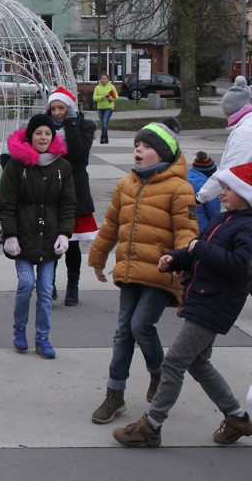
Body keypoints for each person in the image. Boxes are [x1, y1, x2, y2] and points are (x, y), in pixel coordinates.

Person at [113, 161, 252, 448]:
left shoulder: (248, 227)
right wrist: (176, 259)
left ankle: (151, 425)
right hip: (203, 297)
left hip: (215, 305)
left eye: (228, 188)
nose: (221, 193)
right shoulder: (224, 220)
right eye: (222, 187)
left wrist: (198, 249)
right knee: (198, 363)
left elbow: (239, 266)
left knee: (174, 362)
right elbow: (197, 246)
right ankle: (237, 417)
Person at [88, 122, 198, 425]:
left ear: (162, 153)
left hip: (161, 273)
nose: (139, 149)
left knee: (140, 325)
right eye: (137, 145)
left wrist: (182, 265)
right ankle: (115, 393)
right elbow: (110, 225)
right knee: (124, 330)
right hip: (130, 269)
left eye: (147, 146)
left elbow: (187, 233)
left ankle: (158, 372)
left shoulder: (180, 188)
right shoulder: (127, 184)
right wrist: (98, 257)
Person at [0, 114, 76, 359]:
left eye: (47, 133)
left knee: (45, 290)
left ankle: (43, 337)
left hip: (49, 238)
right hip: (22, 237)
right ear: (30, 136)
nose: (43, 137)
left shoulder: (62, 166)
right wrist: (10, 235)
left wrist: (65, 233)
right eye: (38, 133)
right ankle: (19, 329)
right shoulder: (16, 165)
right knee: (26, 284)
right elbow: (7, 203)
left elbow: (68, 204)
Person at [46, 86, 98, 306]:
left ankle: (73, 286)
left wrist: (71, 124)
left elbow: (79, 153)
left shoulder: (85, 125)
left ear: (70, 107)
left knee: (72, 242)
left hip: (76, 187)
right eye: (53, 109)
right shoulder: (45, 126)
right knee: (50, 241)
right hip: (50, 188)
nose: (57, 113)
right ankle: (50, 285)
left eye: (61, 108)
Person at [194, 84, 252, 205]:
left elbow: (230, 171)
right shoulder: (245, 127)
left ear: (228, 109)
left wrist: (200, 197)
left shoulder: (244, 132)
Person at [187, 151, 220, 233]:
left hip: (184, 223)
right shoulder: (208, 187)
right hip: (201, 227)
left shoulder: (185, 178)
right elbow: (213, 212)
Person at [93, 74, 118, 144]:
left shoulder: (111, 87)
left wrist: (109, 97)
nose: (103, 80)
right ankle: (106, 139)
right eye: (102, 78)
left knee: (104, 121)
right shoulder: (97, 87)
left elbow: (116, 97)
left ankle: (102, 137)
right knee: (103, 123)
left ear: (108, 79)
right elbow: (94, 97)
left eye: (105, 78)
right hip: (100, 108)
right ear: (100, 80)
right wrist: (101, 97)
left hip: (109, 107)